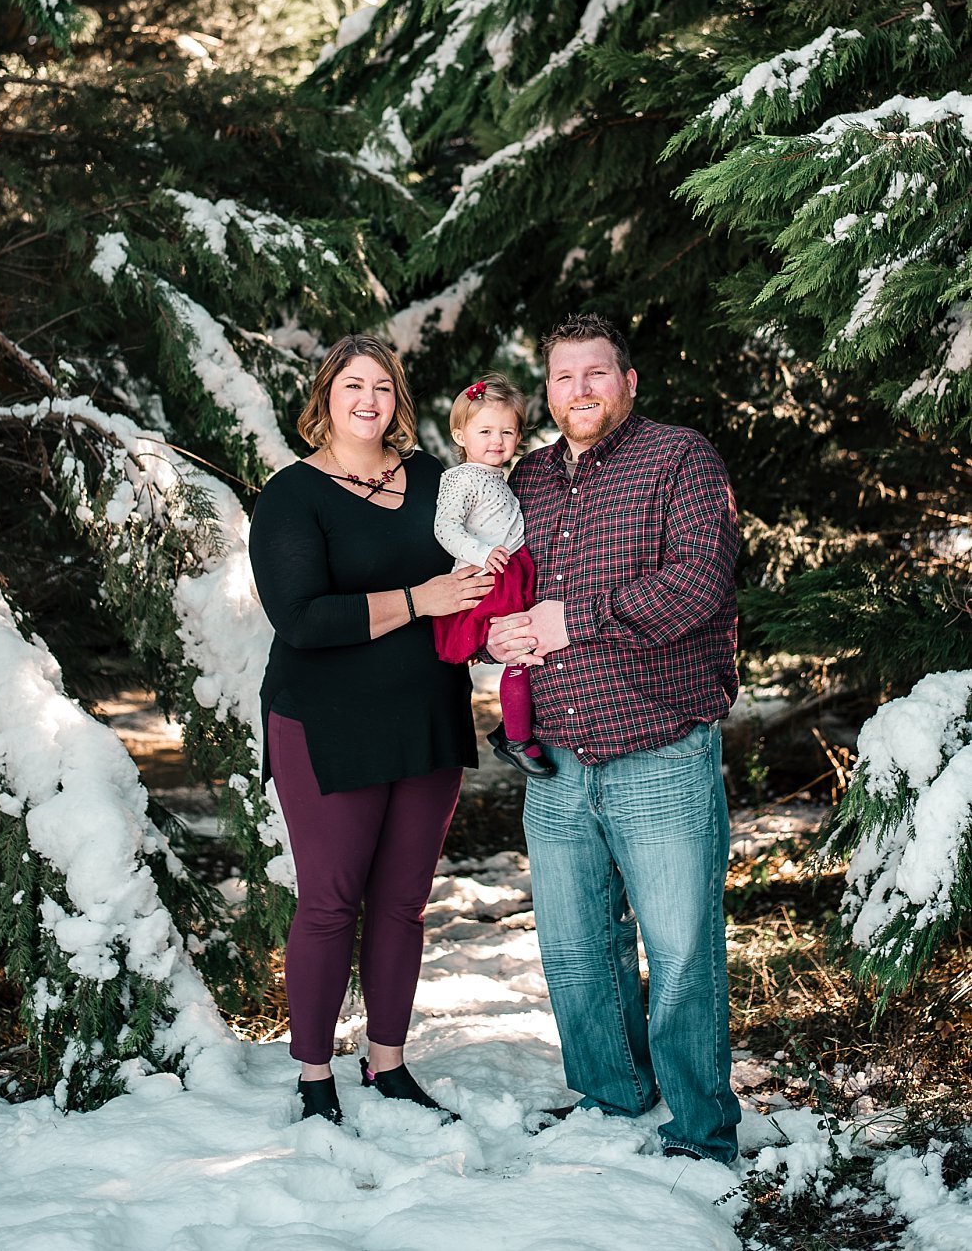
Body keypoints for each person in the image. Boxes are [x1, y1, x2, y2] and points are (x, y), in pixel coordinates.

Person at [486, 313, 742, 1164]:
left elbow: (699, 582)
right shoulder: (526, 479)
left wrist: (572, 622)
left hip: (659, 748)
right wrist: (500, 630)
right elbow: (500, 585)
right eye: (563, 377)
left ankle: (701, 1132)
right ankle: (610, 1095)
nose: (580, 390)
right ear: (549, 392)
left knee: (680, 951)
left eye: (597, 373)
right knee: (575, 948)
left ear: (628, 382)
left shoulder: (679, 457)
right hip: (556, 758)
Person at [249, 333, 493, 1126]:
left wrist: (498, 618)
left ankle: (387, 1063)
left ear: (399, 400)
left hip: (427, 710)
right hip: (325, 720)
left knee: (404, 902)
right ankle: (314, 1076)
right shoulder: (292, 495)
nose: (368, 400)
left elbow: (481, 570)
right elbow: (302, 617)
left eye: (382, 387)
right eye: (352, 385)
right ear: (324, 398)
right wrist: (421, 601)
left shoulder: (433, 479)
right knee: (329, 901)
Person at [432, 373, 554, 780]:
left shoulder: (499, 475)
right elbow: (445, 528)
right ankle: (517, 738)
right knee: (521, 652)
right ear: (460, 434)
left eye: (507, 431)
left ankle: (516, 728)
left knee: (527, 654)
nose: (497, 441)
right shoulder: (461, 478)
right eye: (485, 431)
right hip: (492, 576)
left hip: (513, 572)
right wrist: (483, 555)